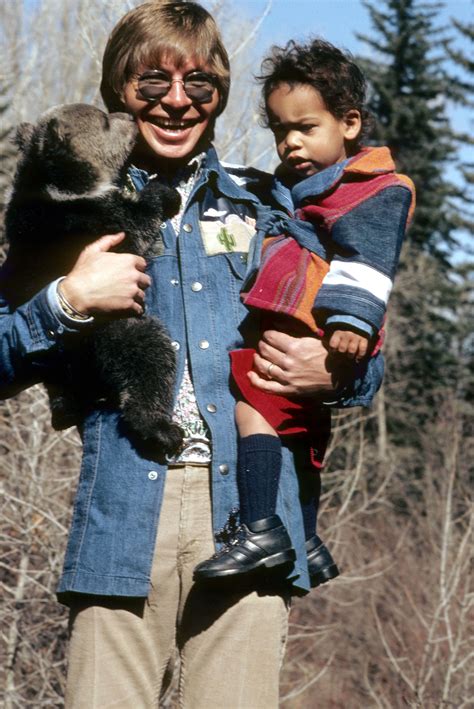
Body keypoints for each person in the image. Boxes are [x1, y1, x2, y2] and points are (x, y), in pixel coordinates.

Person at [0, 6, 383, 708]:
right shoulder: (63, 210)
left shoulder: (272, 206)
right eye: (153, 83)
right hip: (122, 525)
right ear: (120, 90)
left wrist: (336, 371)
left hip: (249, 517)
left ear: (220, 93)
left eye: (198, 84)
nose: (177, 102)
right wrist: (68, 298)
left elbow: (363, 351)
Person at [194, 39, 415, 586]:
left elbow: (369, 258)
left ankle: (262, 527)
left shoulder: (369, 189)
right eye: (279, 131)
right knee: (303, 436)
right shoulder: (301, 187)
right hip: (304, 325)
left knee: (253, 405)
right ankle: (308, 536)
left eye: (305, 128)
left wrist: (352, 321)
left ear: (350, 123)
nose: (290, 143)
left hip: (321, 325)